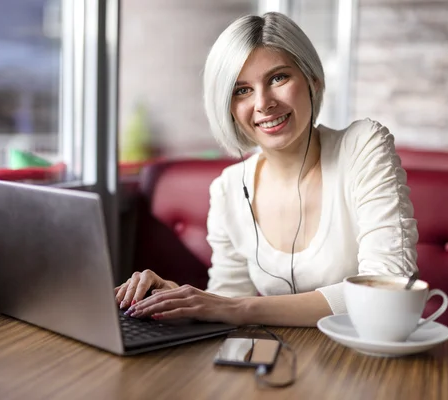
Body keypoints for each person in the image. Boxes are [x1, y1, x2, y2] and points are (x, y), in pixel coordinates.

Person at [114, 12, 418, 327]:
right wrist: (178, 300)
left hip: (366, 363)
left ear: (313, 81)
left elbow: (388, 287)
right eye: (242, 90)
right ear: (228, 107)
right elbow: (226, 302)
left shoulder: (362, 146)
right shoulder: (228, 188)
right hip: (275, 365)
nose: (263, 103)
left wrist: (242, 309)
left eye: (278, 78)